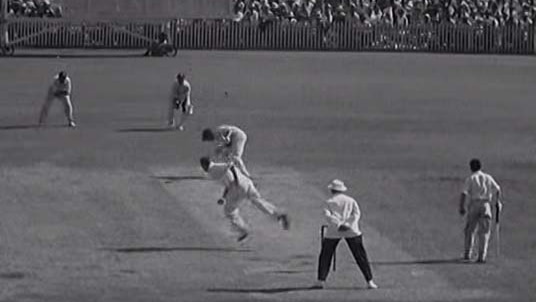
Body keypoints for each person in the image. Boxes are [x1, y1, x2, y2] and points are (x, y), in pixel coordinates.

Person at [200, 156, 290, 242]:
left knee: (229, 211)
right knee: (258, 201)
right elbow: (231, 167)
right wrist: (225, 195)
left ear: (204, 165)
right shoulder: (218, 165)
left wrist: (229, 190)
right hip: (246, 182)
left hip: (236, 188)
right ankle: (279, 215)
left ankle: (243, 230)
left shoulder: (212, 172)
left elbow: (229, 179)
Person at [313, 179, 378, 290]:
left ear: (332, 190)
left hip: (334, 230)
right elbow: (356, 214)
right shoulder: (350, 200)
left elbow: (327, 216)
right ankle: (369, 281)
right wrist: (347, 224)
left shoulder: (329, 202)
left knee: (325, 255)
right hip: (352, 230)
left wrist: (338, 225)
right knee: (360, 255)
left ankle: (321, 281)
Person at [459, 158, 502, 263]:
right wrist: (497, 201)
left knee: (470, 230)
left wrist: (461, 206)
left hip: (474, 204)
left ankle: (467, 253)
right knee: (484, 231)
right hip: (486, 205)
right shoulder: (488, 177)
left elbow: (464, 193)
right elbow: (497, 189)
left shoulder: (471, 178)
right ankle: (481, 256)